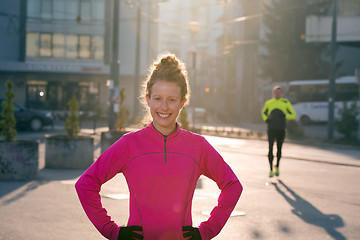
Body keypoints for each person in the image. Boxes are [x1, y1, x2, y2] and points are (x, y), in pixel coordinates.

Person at [75, 53, 243, 240]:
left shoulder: (198, 146)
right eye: (157, 99)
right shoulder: (129, 144)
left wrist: (206, 232)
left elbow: (232, 186)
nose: (164, 107)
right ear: (148, 99)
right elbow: (86, 184)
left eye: (172, 99)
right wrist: (112, 232)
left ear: (182, 102)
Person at [261, 85, 296, 177]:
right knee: (270, 149)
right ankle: (271, 169)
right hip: (271, 129)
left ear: (282, 94)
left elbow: (293, 115)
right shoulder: (269, 102)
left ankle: (277, 166)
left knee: (279, 149)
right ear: (273, 93)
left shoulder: (285, 102)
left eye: (279, 92)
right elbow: (263, 112)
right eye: (276, 92)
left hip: (281, 129)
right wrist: (266, 119)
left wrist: (285, 116)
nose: (277, 94)